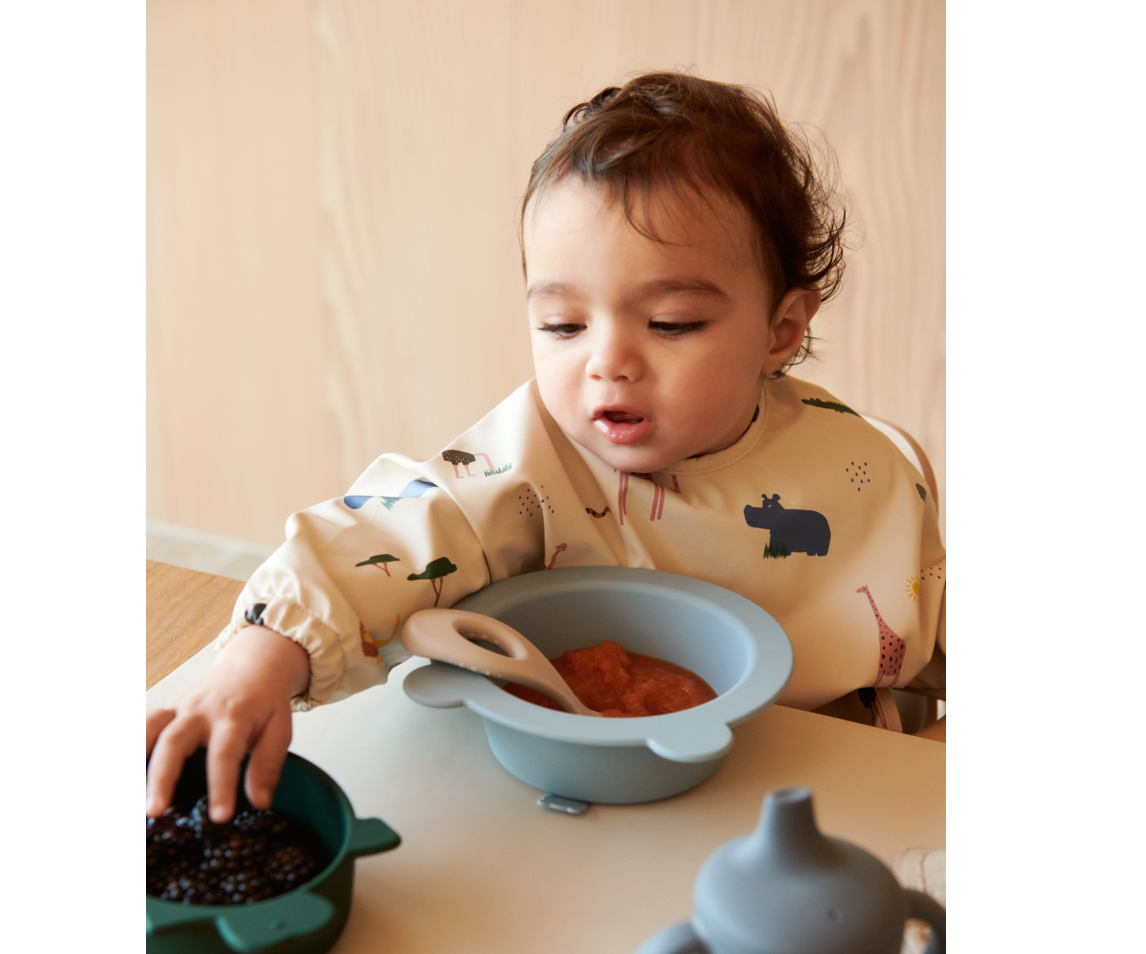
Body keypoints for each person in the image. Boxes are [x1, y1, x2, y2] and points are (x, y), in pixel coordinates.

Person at [146, 72, 946, 824]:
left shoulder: (864, 470)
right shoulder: (526, 461)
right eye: (563, 325)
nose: (607, 361)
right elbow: (383, 538)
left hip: (824, 804)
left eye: (670, 323)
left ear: (781, 329)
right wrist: (259, 657)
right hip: (580, 798)